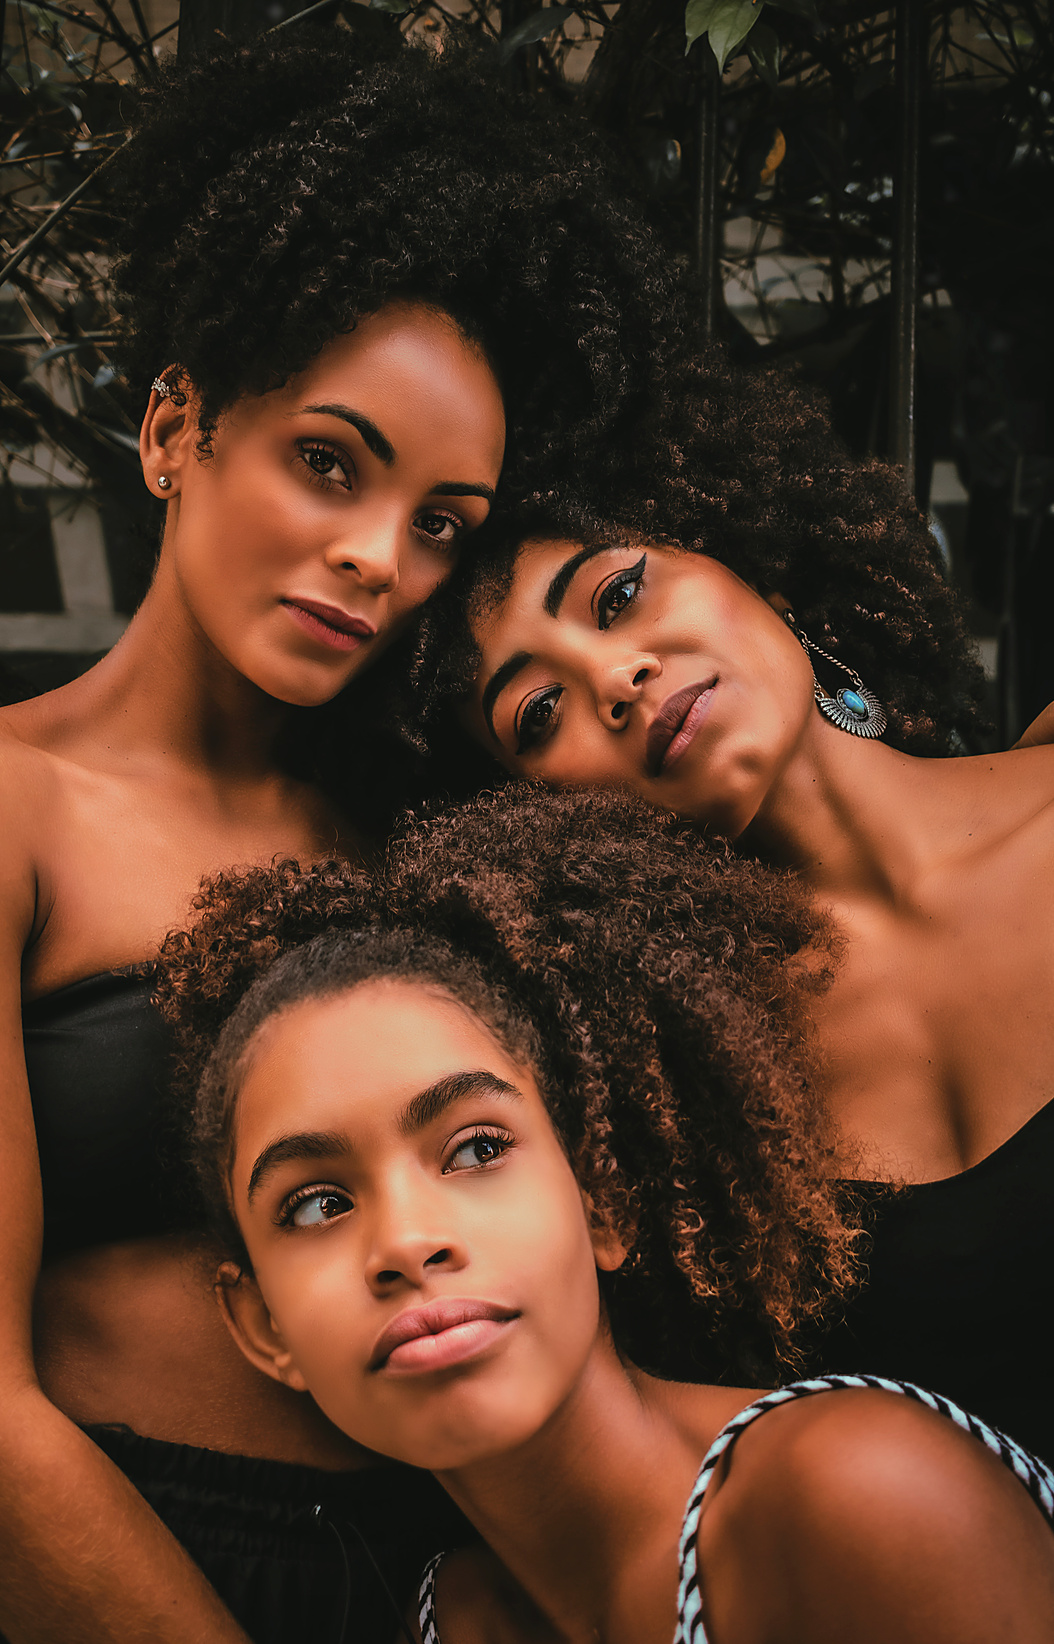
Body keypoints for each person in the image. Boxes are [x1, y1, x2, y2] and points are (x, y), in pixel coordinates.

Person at [0, 25, 682, 1644]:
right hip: (133, 1565)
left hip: (470, 1569)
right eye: (329, 464)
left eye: (440, 522)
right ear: (175, 426)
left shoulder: (426, 815)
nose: (379, 557)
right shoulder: (18, 804)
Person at [152, 786, 1054, 1644]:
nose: (406, 1243)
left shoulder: (856, 1499)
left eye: (475, 1149)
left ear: (604, 1202)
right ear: (262, 1326)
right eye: (318, 1204)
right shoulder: (438, 1622)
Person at [402, 354, 1054, 1468]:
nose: (616, 679)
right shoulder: (684, 1096)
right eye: (540, 709)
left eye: (616, 596)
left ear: (759, 569)